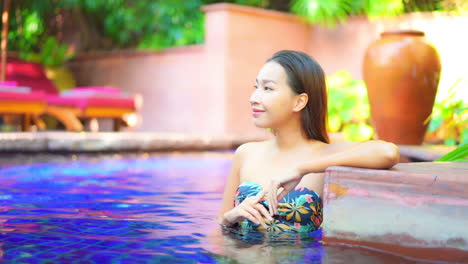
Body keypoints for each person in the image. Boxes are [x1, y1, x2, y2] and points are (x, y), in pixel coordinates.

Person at [217, 50, 399, 233]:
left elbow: (388, 153)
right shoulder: (246, 153)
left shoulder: (326, 156)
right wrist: (230, 217)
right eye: (256, 87)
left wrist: (302, 169)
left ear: (299, 102)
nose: (253, 98)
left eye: (267, 88)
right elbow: (220, 224)